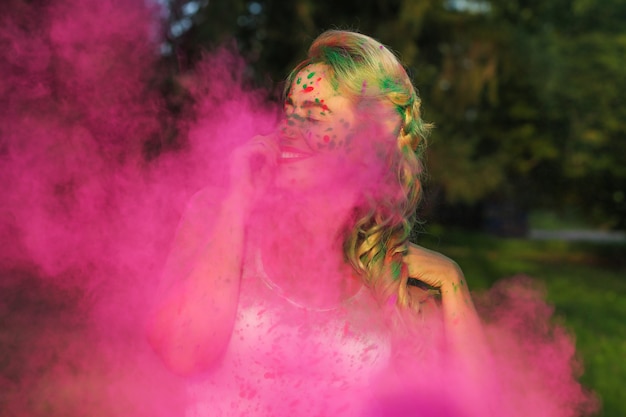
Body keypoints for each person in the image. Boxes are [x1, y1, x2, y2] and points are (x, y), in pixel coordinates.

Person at [148, 30, 491, 417]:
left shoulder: (393, 272)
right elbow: (183, 354)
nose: (288, 131)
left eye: (313, 115)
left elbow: (471, 406)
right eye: (290, 111)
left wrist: (452, 281)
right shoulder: (216, 213)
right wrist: (237, 205)